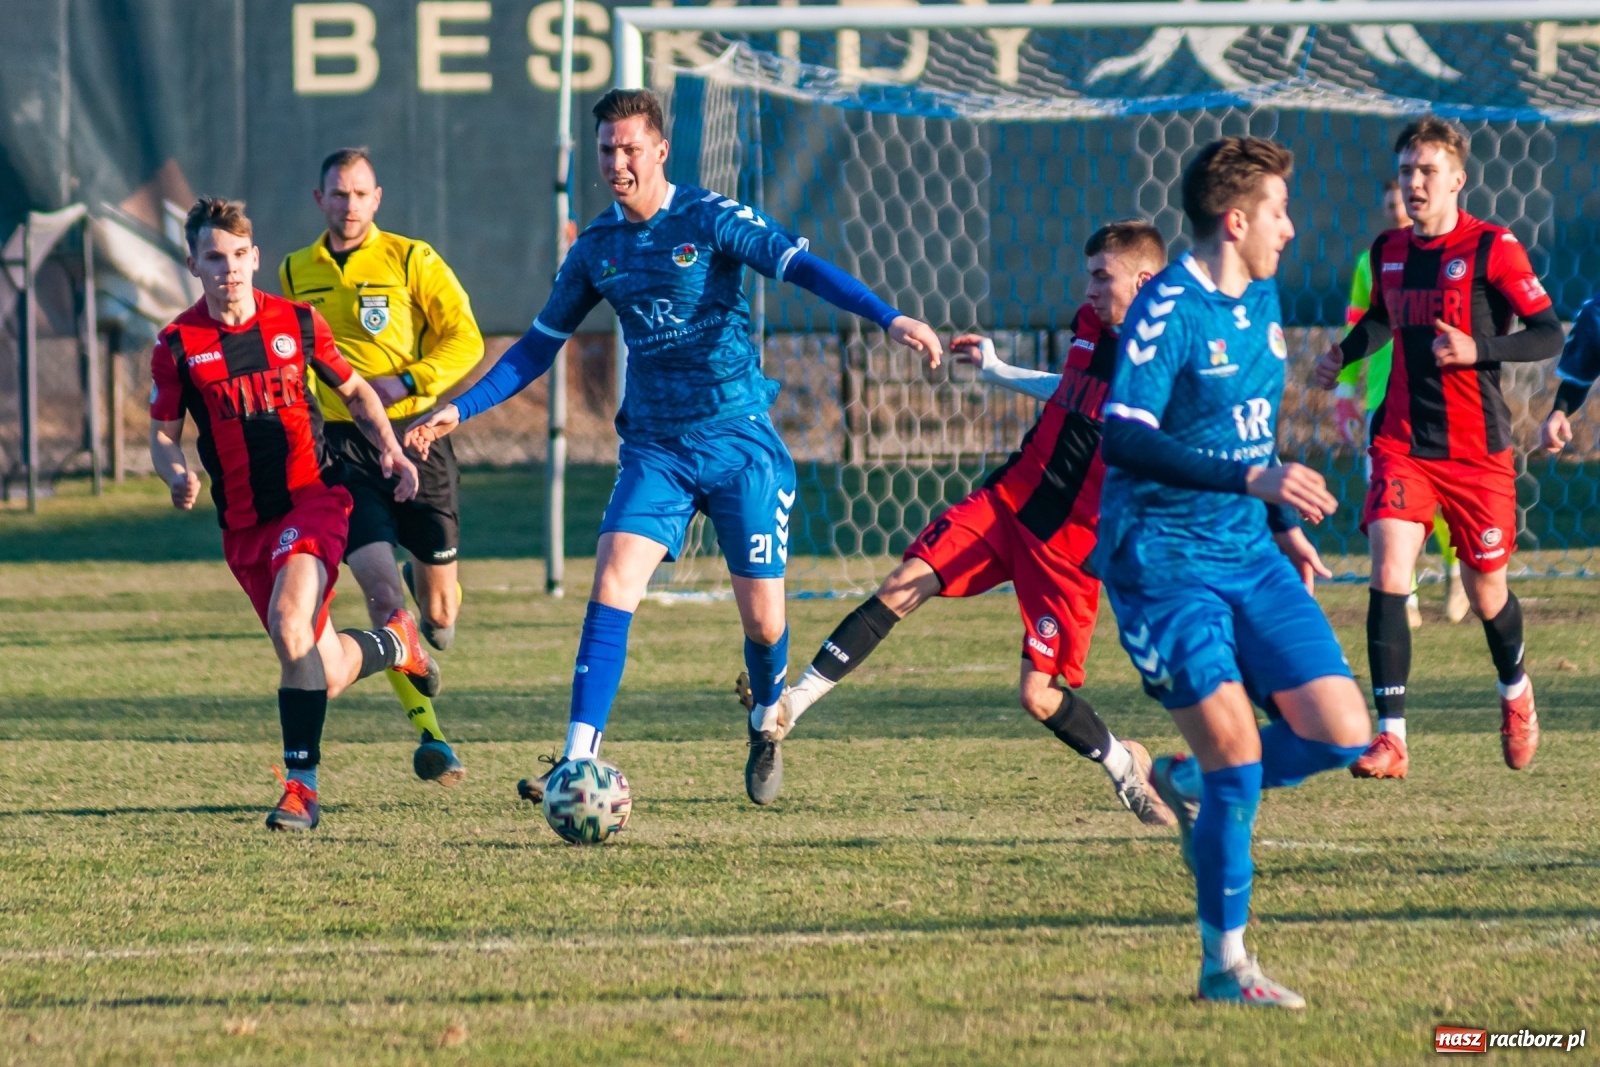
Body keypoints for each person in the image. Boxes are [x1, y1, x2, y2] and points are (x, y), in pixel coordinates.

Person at [403, 88, 943, 804]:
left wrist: (887, 316)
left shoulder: (710, 219)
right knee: (612, 581)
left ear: (660, 150)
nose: (617, 162)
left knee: (765, 619)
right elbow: (537, 347)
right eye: (606, 150)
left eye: (629, 148)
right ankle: (575, 759)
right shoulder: (597, 248)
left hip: (738, 442)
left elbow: (800, 266)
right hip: (655, 449)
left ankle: (764, 717)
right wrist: (458, 408)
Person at [746, 221, 1174, 825]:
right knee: (902, 585)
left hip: (1069, 544)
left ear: (1144, 280)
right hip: (1010, 499)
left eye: (1102, 277)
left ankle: (1125, 768)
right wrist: (998, 370)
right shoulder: (1088, 325)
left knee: (1037, 696)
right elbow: (1075, 389)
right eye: (1088, 276)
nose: (1090, 289)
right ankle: (790, 706)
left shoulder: (1167, 357)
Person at [1099, 138, 1372, 1007]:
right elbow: (1123, 432)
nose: (1292, 229)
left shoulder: (1261, 297)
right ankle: (1227, 967)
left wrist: (1280, 518)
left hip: (1248, 550)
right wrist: (1251, 482)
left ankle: (1182, 780)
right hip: (1164, 560)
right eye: (1281, 212)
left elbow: (1250, 432)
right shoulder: (1168, 309)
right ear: (1238, 219)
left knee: (1343, 732)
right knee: (1241, 758)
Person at [149, 197, 439, 832]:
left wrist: (392, 451)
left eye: (238, 256)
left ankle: (300, 789)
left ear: (255, 258)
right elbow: (164, 434)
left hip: (315, 499)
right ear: (193, 263)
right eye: (213, 258)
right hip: (245, 526)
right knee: (321, 669)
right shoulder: (177, 345)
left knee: (289, 623)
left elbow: (356, 391)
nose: (228, 269)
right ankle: (397, 642)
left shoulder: (297, 323)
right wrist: (174, 471)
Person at [1314, 116, 1563, 779]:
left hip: (1477, 453)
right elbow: (1378, 321)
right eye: (1405, 172)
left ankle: (1515, 690)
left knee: (1487, 594)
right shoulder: (1388, 251)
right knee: (1389, 570)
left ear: (1457, 178)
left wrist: (1478, 349)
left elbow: (1548, 334)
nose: (1414, 183)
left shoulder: (1493, 248)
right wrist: (1340, 356)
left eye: (1426, 171)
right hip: (1402, 441)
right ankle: (1391, 737)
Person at [280, 147, 482, 786]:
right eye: (337, 194)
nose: (348, 205)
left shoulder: (411, 259)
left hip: (417, 438)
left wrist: (407, 382)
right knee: (380, 595)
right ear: (320, 201)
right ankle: (433, 737)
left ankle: (431, 616)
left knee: (440, 614)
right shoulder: (293, 272)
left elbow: (466, 339)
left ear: (377, 198)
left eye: (359, 194)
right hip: (342, 448)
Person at [1334, 178, 1468, 627]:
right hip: (1383, 400)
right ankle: (1405, 594)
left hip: (1437, 398)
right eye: (1390, 201)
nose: (1398, 208)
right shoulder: (1370, 260)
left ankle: (1455, 575)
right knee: (1388, 501)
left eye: (1403, 200)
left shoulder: (1452, 256)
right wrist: (1343, 392)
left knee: (1446, 503)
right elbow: (1358, 324)